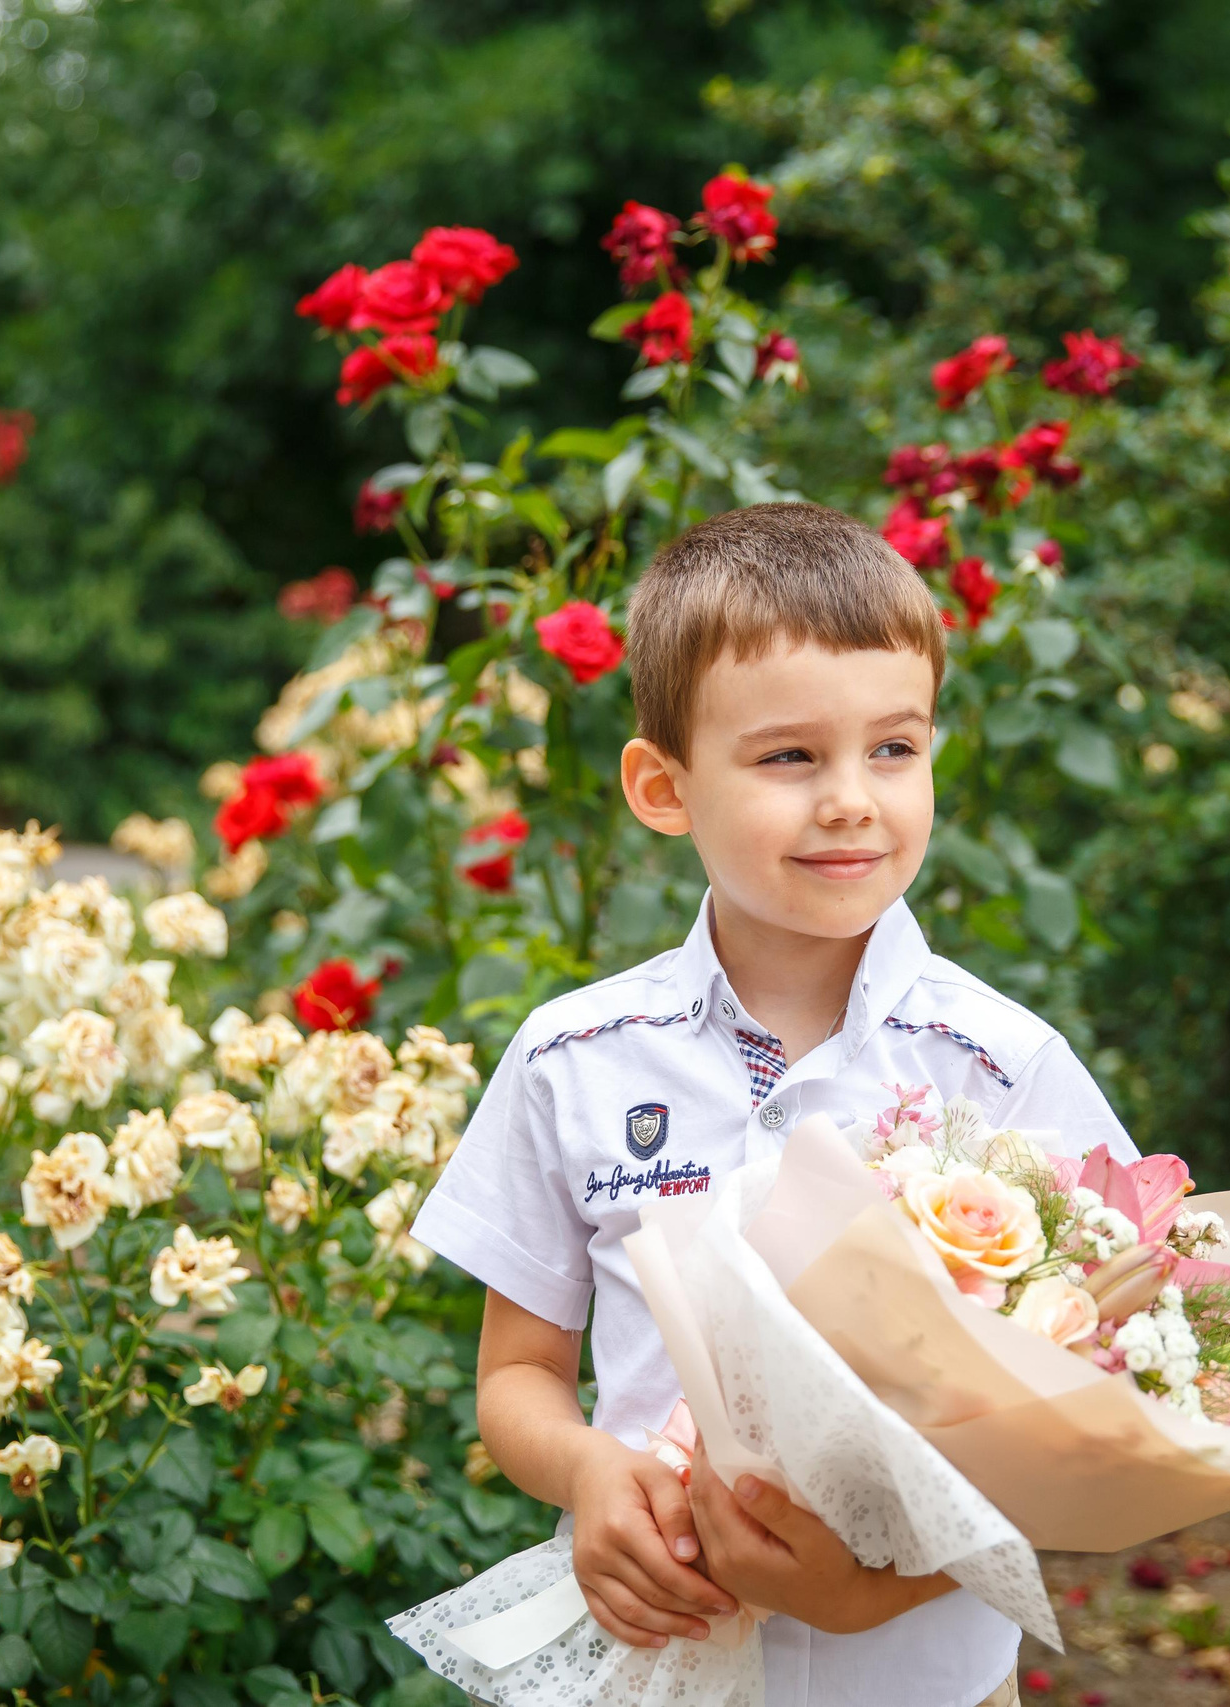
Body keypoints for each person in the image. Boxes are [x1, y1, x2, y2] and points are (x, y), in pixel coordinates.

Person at [411, 502, 1135, 1707]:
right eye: (790, 757)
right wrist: (591, 1473)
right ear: (662, 785)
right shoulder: (574, 1059)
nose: (852, 798)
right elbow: (516, 1379)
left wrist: (874, 1588)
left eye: (893, 749)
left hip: (925, 1683)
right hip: (658, 1660)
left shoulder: (1000, 1069)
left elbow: (1097, 1412)